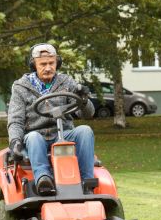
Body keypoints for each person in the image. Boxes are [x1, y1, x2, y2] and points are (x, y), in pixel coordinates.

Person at [7, 43, 95, 196]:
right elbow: (15, 120)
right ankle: (43, 179)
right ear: (34, 64)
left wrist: (84, 99)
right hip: (35, 136)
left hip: (63, 134)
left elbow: (87, 114)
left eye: (51, 63)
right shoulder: (20, 87)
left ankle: (87, 182)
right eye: (43, 64)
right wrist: (15, 141)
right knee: (34, 137)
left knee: (85, 131)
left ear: (57, 63)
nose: (48, 68)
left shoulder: (67, 82)